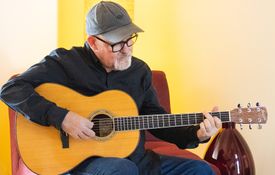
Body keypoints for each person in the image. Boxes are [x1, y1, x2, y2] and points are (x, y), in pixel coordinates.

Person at [0, 1, 222, 175]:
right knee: (122, 170)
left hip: (136, 161)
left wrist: (198, 134)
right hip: (83, 163)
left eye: (130, 40)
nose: (126, 50)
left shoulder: (139, 71)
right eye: (116, 44)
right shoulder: (64, 62)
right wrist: (62, 117)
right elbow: (10, 89)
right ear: (93, 42)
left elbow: (157, 120)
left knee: (199, 170)